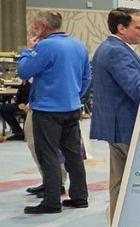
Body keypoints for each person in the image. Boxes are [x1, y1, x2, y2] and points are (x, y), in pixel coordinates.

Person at [18, 11, 91, 216]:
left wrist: (28, 51)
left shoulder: (44, 47)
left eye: (35, 26)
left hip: (47, 110)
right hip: (72, 108)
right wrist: (75, 96)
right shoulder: (79, 45)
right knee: (73, 154)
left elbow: (24, 71)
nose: (33, 29)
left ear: (43, 26)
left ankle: (51, 201)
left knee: (48, 154)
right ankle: (80, 197)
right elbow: (87, 77)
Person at [90, 8, 140, 225]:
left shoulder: (109, 48)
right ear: (121, 28)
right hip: (125, 127)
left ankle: (118, 226)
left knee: (120, 180)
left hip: (119, 127)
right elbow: (137, 91)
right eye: (139, 27)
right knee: (126, 183)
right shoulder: (117, 52)